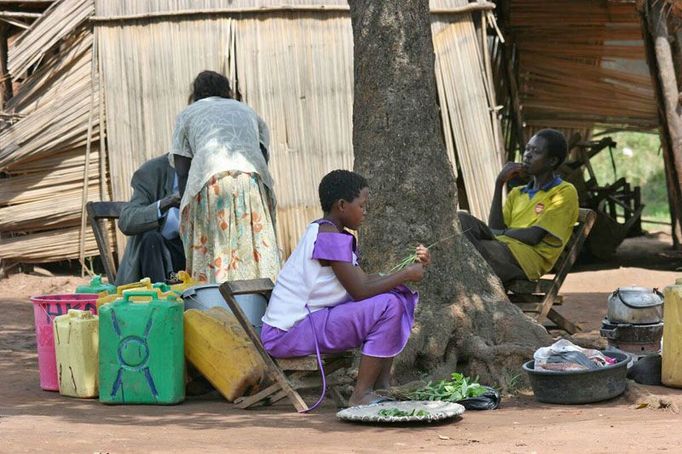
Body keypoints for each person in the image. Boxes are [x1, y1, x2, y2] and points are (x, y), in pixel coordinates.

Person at [260, 170, 431, 407]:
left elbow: (362, 281)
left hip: (306, 323)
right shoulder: (328, 237)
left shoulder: (332, 233)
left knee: (395, 295)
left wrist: (407, 272)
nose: (365, 212)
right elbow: (360, 290)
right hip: (288, 333)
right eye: (361, 205)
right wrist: (405, 274)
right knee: (388, 304)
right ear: (341, 205)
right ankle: (361, 393)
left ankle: (381, 386)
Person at [170, 70, 280, 284]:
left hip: (209, 181)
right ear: (226, 91)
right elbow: (262, 155)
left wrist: (186, 206)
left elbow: (182, 169)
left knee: (214, 249)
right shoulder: (248, 111)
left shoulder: (188, 114)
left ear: (195, 93)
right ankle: (259, 302)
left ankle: (217, 305)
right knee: (253, 244)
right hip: (251, 180)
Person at [458, 129, 579, 284]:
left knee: (469, 250)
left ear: (552, 161)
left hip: (526, 260)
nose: (527, 155)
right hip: (502, 246)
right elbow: (494, 227)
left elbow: (533, 236)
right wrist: (499, 184)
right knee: (461, 220)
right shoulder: (517, 192)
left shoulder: (564, 192)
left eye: (536, 151)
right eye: (527, 149)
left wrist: (500, 233)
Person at [116, 155, 185, 285]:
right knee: (151, 238)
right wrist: (166, 203)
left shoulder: (210, 173)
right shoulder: (153, 171)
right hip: (160, 259)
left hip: (192, 254)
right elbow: (126, 220)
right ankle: (158, 300)